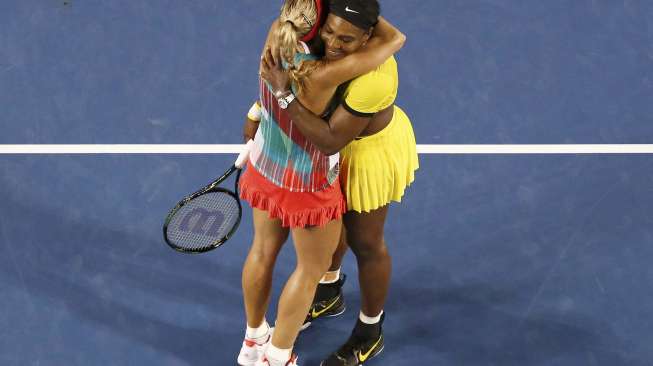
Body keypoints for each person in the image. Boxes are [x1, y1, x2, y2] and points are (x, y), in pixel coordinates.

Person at [237, 1, 406, 365]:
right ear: (317, 25)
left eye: (346, 37)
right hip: (309, 176)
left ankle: (365, 330)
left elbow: (328, 136)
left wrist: (263, 107)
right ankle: (278, 356)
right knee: (310, 267)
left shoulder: (275, 42)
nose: (332, 42)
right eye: (329, 31)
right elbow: (328, 141)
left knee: (362, 242)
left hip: (274, 165)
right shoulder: (326, 72)